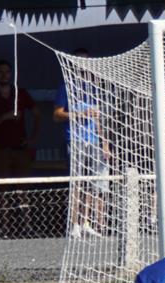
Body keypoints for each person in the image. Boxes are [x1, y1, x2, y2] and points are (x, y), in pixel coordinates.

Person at [53, 48, 110, 239]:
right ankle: (74, 224)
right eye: (80, 61)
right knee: (77, 182)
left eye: (86, 61)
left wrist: (104, 143)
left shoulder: (94, 88)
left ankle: (87, 222)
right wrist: (80, 115)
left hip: (93, 140)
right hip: (75, 140)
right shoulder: (66, 86)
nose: (83, 65)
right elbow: (57, 115)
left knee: (92, 184)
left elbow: (99, 119)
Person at [0, 59, 38, 179]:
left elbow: (38, 113)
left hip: (21, 147)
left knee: (23, 188)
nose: (4, 75)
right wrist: (6, 116)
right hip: (1, 149)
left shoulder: (21, 93)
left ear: (11, 74)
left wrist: (33, 138)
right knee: (3, 188)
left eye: (7, 72)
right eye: (1, 72)